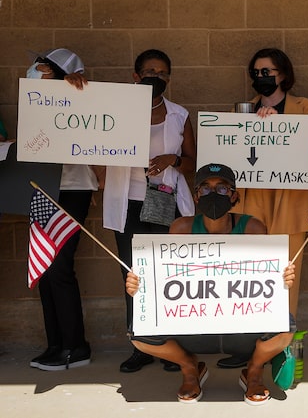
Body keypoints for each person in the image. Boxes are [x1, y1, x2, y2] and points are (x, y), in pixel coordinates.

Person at [125, 163, 296, 404]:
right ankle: (189, 367)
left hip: (242, 326)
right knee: (138, 333)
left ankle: (254, 371)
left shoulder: (252, 228)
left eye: (222, 188)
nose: (212, 194)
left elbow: (268, 280)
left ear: (234, 195)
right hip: (195, 327)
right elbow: (162, 280)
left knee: (286, 327)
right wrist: (138, 285)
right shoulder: (182, 228)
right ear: (196, 197)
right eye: (205, 189)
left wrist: (283, 277)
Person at [218, 47, 308, 369]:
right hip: (253, 206)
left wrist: (279, 124)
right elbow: (230, 153)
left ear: (283, 74)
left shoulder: (303, 107)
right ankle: (247, 347)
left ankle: (279, 350)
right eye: (257, 73)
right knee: (248, 279)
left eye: (268, 72)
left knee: (286, 281)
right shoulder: (242, 110)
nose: (262, 78)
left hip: (290, 206)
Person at [103, 49, 196, 373]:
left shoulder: (180, 115)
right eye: (149, 71)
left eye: (162, 72)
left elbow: (193, 164)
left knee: (168, 273)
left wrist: (173, 160)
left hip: (165, 200)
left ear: (168, 79)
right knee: (133, 275)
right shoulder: (114, 113)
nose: (155, 76)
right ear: (135, 76)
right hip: (128, 201)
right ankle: (141, 345)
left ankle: (171, 346)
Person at [26, 48, 100, 371]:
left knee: (59, 267)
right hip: (43, 185)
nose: (36, 73)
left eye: (43, 70)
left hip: (74, 187)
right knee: (44, 269)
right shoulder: (35, 100)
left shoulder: (81, 99)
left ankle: (76, 346)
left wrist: (77, 88)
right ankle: (55, 344)